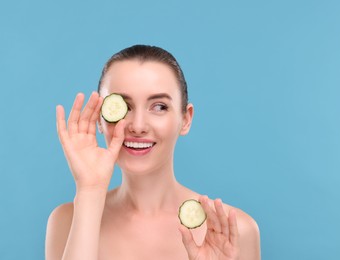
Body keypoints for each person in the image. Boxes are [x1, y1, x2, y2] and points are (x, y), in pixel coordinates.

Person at [45, 45, 261, 259]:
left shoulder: (236, 231)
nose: (138, 126)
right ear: (100, 120)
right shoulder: (67, 221)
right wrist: (90, 191)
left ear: (186, 119)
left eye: (159, 107)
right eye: (124, 106)